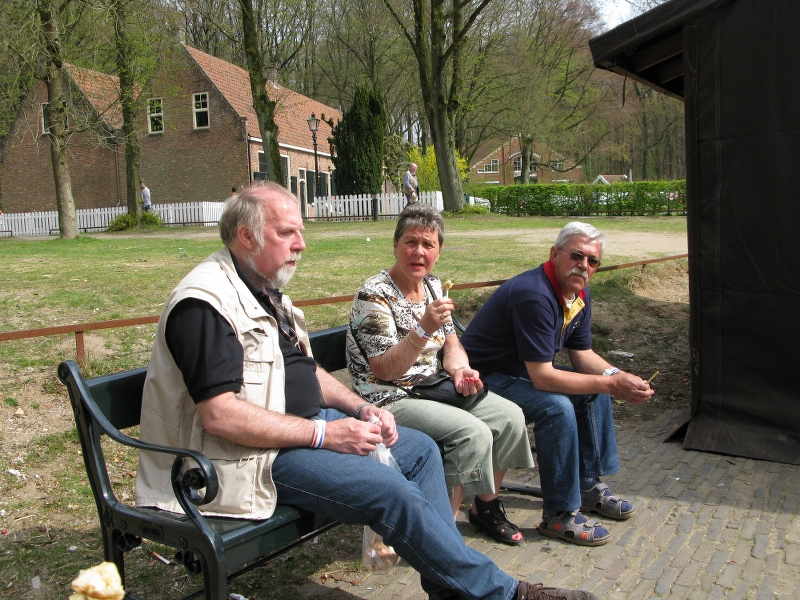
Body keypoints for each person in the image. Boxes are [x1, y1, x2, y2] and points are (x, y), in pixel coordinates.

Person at [135, 183, 595, 600]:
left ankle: (455, 591)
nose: (301, 243)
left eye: (300, 232)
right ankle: (505, 594)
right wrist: (325, 435)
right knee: (390, 489)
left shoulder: (262, 289)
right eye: (287, 232)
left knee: (420, 451)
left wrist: (358, 408)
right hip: (245, 458)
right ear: (246, 236)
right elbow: (220, 416)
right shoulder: (205, 304)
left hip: (300, 429)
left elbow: (305, 371)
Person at [347, 204, 535, 546]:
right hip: (388, 397)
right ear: (395, 245)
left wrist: (461, 369)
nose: (418, 252)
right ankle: (440, 532)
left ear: (439, 250)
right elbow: (384, 370)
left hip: (431, 387)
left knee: (510, 417)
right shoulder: (373, 294)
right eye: (410, 242)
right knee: (473, 433)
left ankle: (485, 508)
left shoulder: (434, 287)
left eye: (428, 244)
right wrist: (422, 329)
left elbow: (452, 345)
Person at [460, 222, 655, 547]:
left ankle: (585, 483)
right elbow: (543, 377)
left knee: (595, 388)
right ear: (554, 254)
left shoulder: (578, 294)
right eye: (576, 256)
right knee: (557, 407)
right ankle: (559, 513)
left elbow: (583, 355)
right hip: (480, 378)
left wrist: (618, 377)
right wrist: (611, 385)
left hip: (520, 371)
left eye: (592, 261)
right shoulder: (534, 295)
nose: (584, 265)